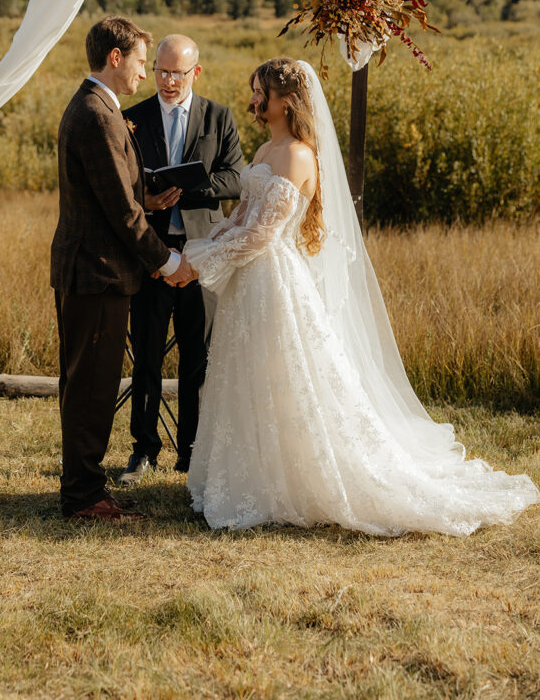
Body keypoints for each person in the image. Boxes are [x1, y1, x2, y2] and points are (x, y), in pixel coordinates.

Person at [177, 57, 540, 534]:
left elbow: (264, 234)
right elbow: (241, 217)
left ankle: (302, 478)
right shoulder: (266, 148)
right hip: (249, 282)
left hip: (274, 280)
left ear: (288, 100)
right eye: (255, 89)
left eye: (262, 90)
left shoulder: (298, 155)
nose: (254, 98)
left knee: (286, 374)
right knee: (248, 372)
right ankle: (254, 476)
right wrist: (201, 247)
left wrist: (198, 263)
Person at [50, 16, 193, 523]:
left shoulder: (99, 108)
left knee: (89, 382)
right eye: (140, 62)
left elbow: (115, 194)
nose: (144, 74)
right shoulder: (98, 115)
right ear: (116, 57)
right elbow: (122, 214)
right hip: (96, 273)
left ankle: (86, 487)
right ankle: (83, 498)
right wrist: (168, 261)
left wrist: (145, 196)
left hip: (96, 270)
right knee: (91, 386)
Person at [118, 35, 243, 483]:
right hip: (150, 254)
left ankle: (192, 453)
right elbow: (121, 184)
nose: (168, 81)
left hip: (201, 257)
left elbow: (236, 178)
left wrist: (188, 187)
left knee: (199, 359)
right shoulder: (131, 118)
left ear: (196, 73)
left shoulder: (218, 117)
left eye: (178, 73)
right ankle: (143, 451)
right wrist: (147, 195)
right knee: (146, 357)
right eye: (161, 71)